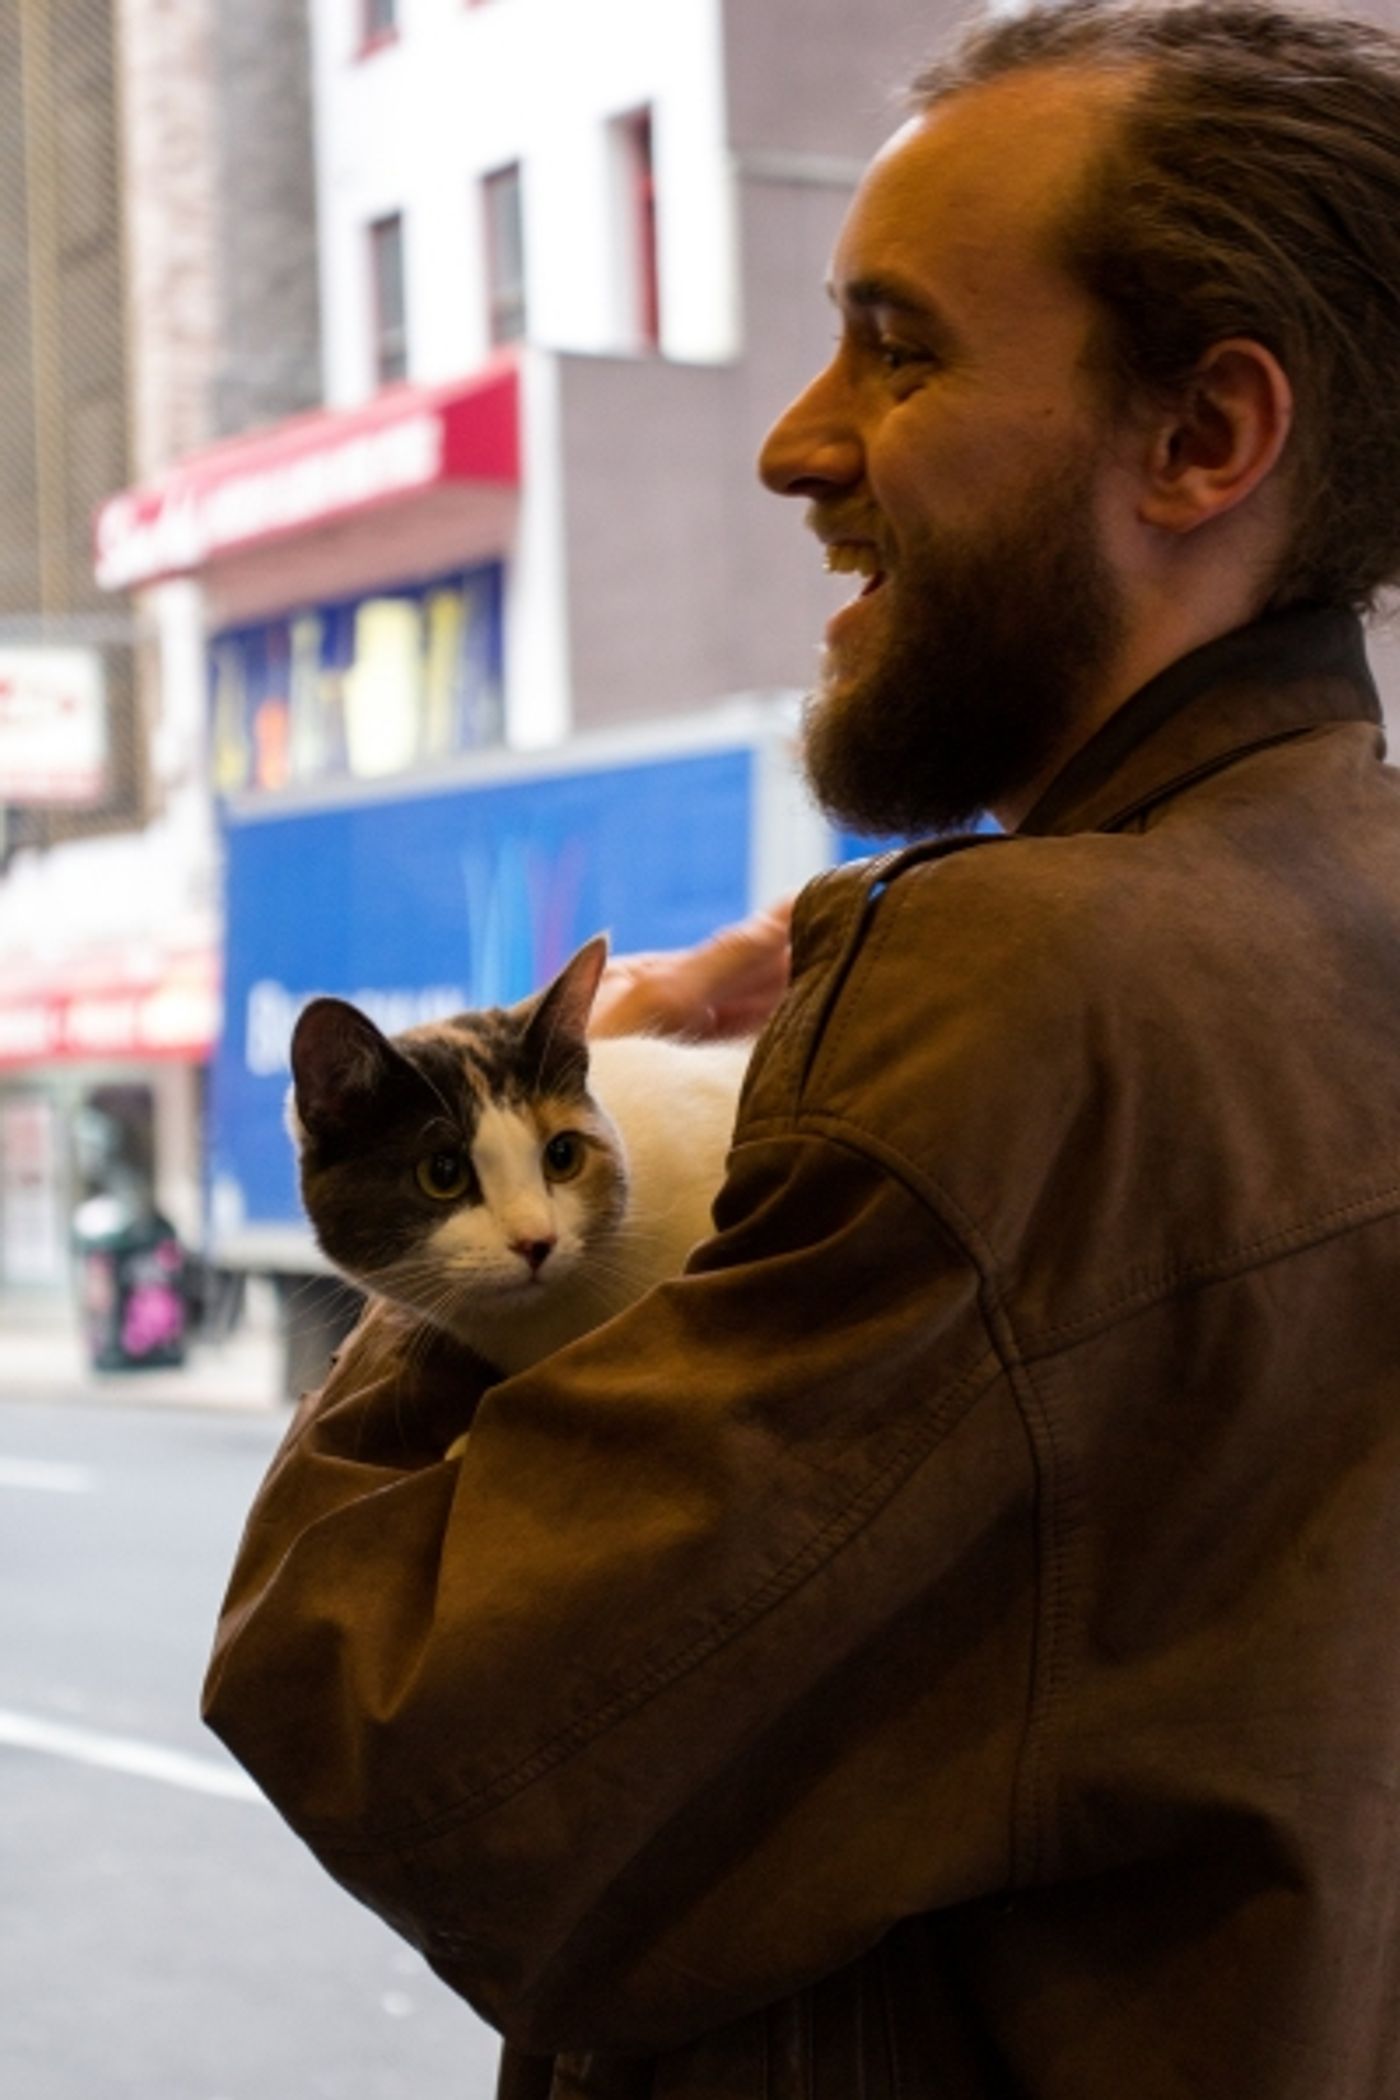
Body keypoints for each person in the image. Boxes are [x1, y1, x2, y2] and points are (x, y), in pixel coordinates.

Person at [204, 3, 1400, 2093]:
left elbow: (392, 1718)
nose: (795, 439)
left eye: (899, 345)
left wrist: (421, 1320)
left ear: (1205, 441)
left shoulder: (1028, 987)